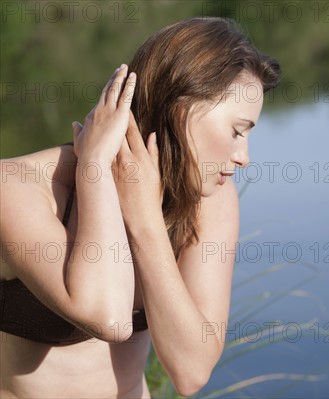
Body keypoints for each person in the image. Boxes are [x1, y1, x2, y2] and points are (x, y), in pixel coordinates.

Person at [0, 17, 281, 398]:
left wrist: (145, 220)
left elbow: (191, 371)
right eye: (237, 131)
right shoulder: (17, 189)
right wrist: (95, 168)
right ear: (183, 110)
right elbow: (110, 318)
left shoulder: (208, 200)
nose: (244, 157)